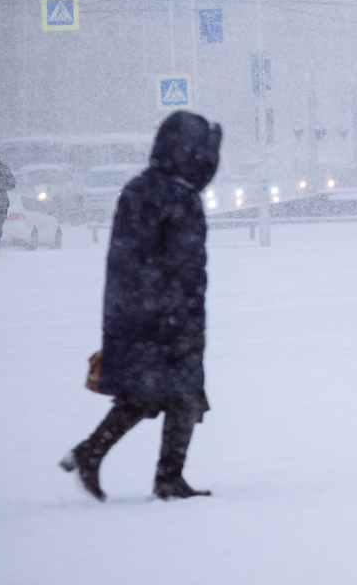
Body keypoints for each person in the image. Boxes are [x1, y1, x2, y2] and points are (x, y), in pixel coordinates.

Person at [60, 111, 222, 501]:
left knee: (144, 394)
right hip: (166, 317)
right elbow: (185, 269)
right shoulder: (179, 198)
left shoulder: (140, 188)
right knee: (183, 394)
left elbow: (129, 260)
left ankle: (89, 454)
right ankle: (167, 478)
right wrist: (186, 322)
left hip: (129, 311)